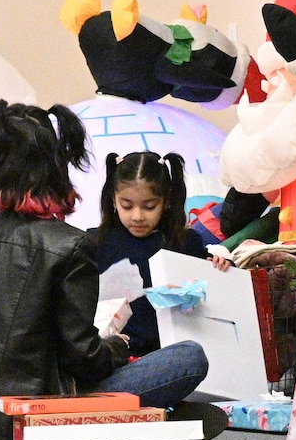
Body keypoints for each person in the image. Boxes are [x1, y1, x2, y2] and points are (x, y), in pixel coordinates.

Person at [0, 102, 222, 440]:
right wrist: (118, 347)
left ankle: (140, 421)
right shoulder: (69, 244)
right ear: (54, 168)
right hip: (44, 418)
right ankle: (140, 420)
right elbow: (84, 361)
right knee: (188, 358)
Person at [90, 150, 230, 358]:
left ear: (167, 200)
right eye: (126, 206)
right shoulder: (94, 243)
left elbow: (214, 298)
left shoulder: (185, 243)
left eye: (149, 206)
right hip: (112, 356)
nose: (137, 216)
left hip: (168, 354)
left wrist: (220, 265)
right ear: (113, 199)